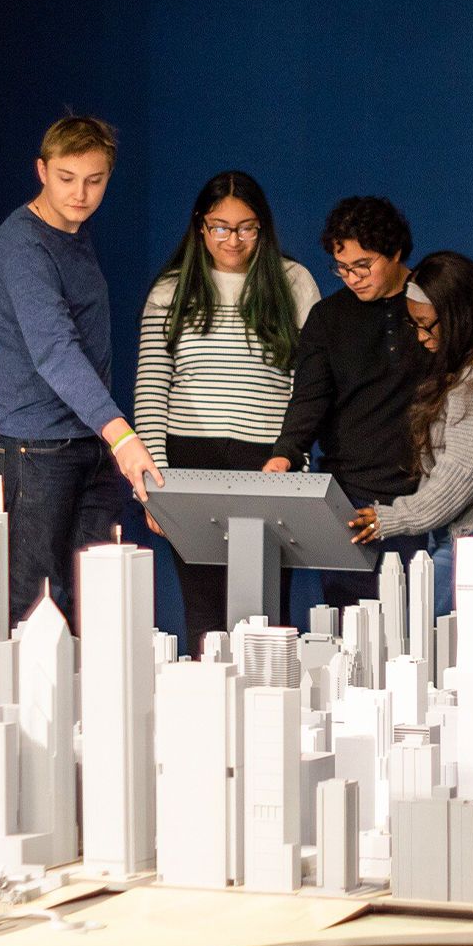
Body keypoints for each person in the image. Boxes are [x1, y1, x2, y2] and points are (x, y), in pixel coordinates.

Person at [0, 116, 163, 625]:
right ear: (41, 170)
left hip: (88, 442)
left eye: (94, 180)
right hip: (34, 444)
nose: (80, 194)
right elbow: (55, 350)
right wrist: (122, 435)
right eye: (66, 178)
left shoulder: (76, 234)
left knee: (98, 600)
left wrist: (107, 436)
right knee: (36, 605)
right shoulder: (24, 244)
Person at [134, 171, 321, 645]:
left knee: (266, 613)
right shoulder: (169, 290)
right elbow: (153, 388)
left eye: (246, 227)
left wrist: (294, 454)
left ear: (264, 227)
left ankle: (269, 709)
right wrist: (153, 483)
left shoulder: (294, 282)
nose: (232, 240)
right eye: (220, 226)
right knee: (203, 611)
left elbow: (309, 385)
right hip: (189, 461)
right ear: (200, 226)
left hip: (268, 462)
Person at [346, 252, 473, 616]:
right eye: (414, 325)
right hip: (468, 538)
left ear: (460, 316)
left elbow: (462, 474)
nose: (422, 337)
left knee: (417, 646)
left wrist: (393, 518)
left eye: (428, 325)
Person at [263, 197, 431, 608]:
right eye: (342, 267)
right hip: (350, 497)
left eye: (363, 265)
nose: (352, 278)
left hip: (422, 495)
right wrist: (286, 452)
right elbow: (309, 397)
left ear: (395, 252)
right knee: (350, 627)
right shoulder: (328, 317)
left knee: (425, 627)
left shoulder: (432, 303)